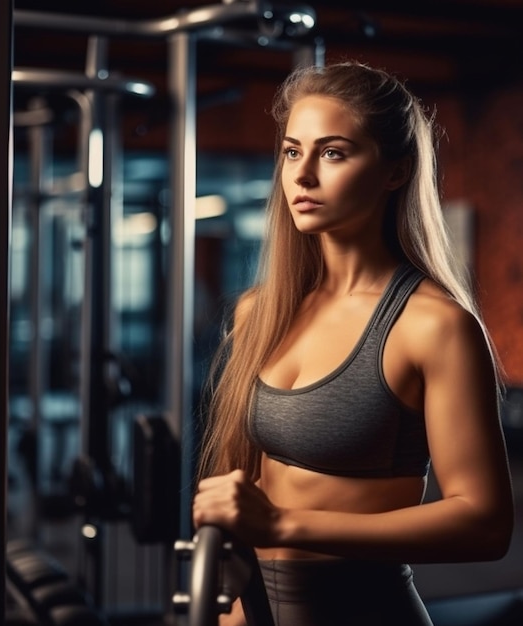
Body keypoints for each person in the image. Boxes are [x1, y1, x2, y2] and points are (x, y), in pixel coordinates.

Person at [191, 61, 514, 626]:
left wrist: (283, 524)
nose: (303, 175)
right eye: (293, 152)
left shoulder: (433, 326)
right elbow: (245, 483)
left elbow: (484, 524)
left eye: (333, 152)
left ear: (394, 171)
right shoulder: (259, 313)